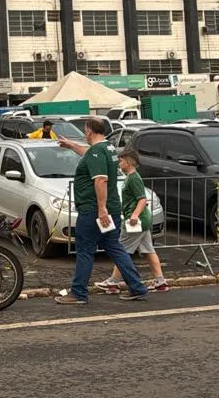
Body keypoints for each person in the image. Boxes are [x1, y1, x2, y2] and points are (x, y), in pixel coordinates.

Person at [54, 117, 148, 304]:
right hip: (110, 208)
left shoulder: (97, 152)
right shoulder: (108, 148)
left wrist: (101, 209)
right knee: (114, 247)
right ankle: (137, 286)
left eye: (85, 130)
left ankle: (78, 293)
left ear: (89, 130)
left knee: (85, 250)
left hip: (93, 211)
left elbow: (100, 180)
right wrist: (72, 145)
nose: (84, 134)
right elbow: (89, 152)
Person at [94, 148, 168, 293]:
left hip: (136, 221)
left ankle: (113, 282)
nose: (119, 163)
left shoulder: (134, 178)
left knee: (121, 250)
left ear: (128, 162)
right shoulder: (131, 177)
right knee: (148, 250)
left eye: (121, 161)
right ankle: (160, 282)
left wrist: (134, 215)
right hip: (143, 220)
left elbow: (142, 199)